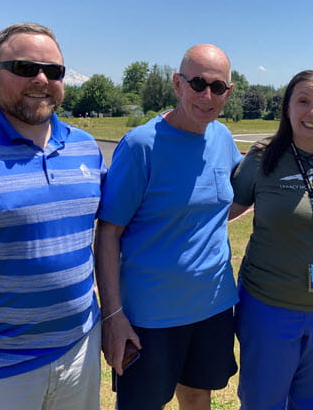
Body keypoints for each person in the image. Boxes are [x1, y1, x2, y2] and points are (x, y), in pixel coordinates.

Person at [0, 23, 105, 410]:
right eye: (26, 68)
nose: (42, 80)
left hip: (78, 350)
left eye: (54, 71)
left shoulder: (85, 147)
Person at [94, 44, 242, 410]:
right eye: (197, 83)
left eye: (217, 87)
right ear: (177, 83)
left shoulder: (223, 138)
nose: (207, 95)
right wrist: (113, 316)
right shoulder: (141, 145)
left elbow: (226, 201)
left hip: (213, 304)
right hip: (150, 315)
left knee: (197, 395)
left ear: (229, 92)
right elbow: (108, 233)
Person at [230, 70, 313, 410]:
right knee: (263, 401)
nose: (312, 112)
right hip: (269, 305)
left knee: (312, 401)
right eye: (303, 101)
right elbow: (223, 211)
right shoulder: (262, 157)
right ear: (287, 108)